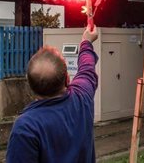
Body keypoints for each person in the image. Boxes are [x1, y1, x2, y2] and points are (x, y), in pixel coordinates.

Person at [6, 25, 99, 162]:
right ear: (67, 78)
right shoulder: (82, 97)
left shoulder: (26, 127)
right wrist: (86, 42)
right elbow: (87, 68)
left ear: (30, 85)